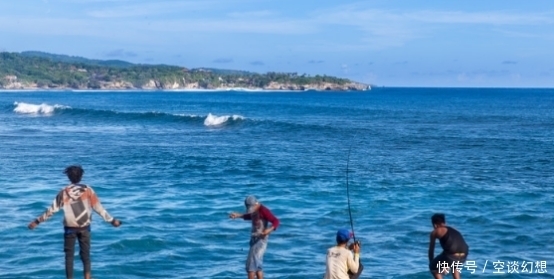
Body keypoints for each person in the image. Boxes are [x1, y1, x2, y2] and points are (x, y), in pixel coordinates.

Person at [27, 165, 122, 279]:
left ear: (68, 177)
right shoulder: (88, 190)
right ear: (81, 176)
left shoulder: (64, 192)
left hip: (70, 228)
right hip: (84, 227)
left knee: (69, 257)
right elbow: (98, 208)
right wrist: (112, 220)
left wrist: (37, 221)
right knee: (86, 255)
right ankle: (87, 277)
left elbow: (52, 210)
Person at [229, 195, 280, 279]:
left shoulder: (264, 210)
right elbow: (250, 216)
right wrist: (238, 216)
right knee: (258, 267)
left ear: (256, 204)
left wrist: (269, 230)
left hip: (260, 240)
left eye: (251, 208)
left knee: (250, 267)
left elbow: (276, 221)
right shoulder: (254, 210)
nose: (251, 210)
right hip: (254, 239)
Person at [428, 213, 469, 279]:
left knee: (433, 267)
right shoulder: (454, 229)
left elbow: (431, 250)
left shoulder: (436, 231)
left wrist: (432, 264)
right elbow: (453, 247)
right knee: (454, 266)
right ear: (444, 222)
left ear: (435, 225)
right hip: (464, 254)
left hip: (451, 255)